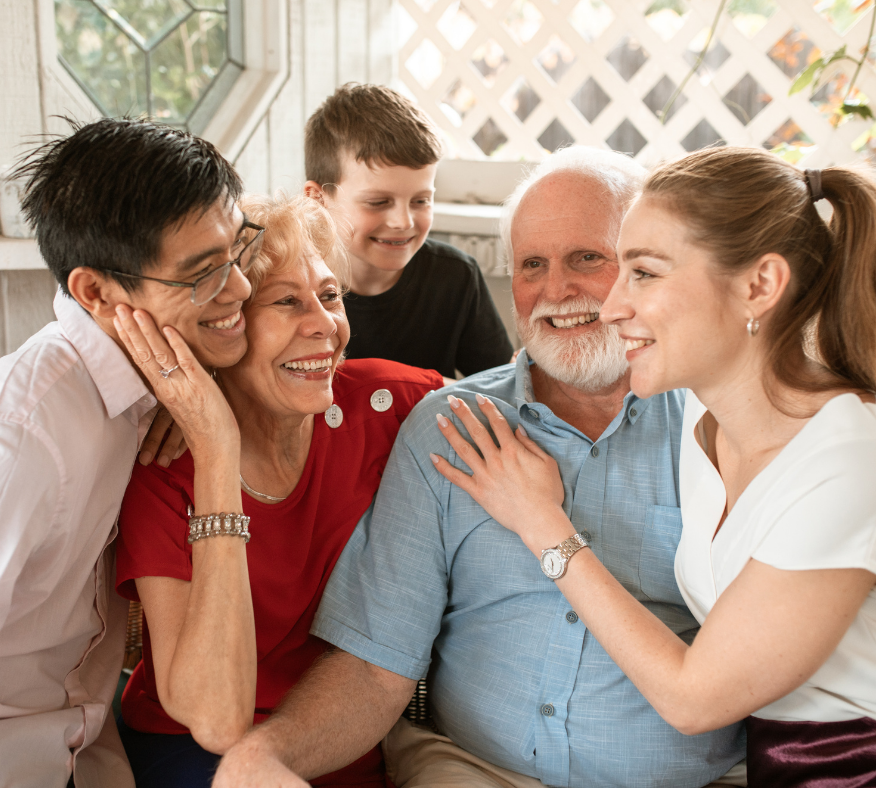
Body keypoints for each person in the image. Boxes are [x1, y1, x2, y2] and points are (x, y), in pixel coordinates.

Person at [212, 146, 746, 788]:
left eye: (587, 258)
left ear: (646, 269)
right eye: (531, 265)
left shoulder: (721, 424)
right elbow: (375, 667)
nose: (557, 290)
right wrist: (267, 754)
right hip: (472, 769)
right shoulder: (447, 427)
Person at [431, 147, 876, 785]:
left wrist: (542, 524)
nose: (611, 307)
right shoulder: (705, 422)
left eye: (643, 273)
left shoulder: (846, 461)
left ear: (759, 286)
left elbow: (694, 700)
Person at [0, 117, 254, 787]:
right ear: (95, 293)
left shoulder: (157, 381)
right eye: (203, 274)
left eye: (237, 250)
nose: (240, 289)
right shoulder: (15, 444)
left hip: (92, 751)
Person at [114, 193, 444, 788]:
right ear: (224, 327)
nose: (325, 325)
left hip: (331, 740)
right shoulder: (164, 468)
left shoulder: (383, 405)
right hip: (192, 754)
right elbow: (215, 721)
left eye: (330, 295)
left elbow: (522, 397)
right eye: (287, 302)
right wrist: (216, 448)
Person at [303, 83, 514, 379]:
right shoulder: (291, 284)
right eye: (378, 202)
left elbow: (500, 387)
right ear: (317, 200)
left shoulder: (456, 278)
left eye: (421, 201)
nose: (403, 222)